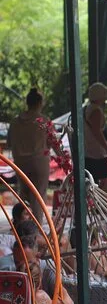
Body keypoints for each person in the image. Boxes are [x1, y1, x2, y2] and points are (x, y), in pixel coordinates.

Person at [7, 88, 51, 224]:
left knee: (23, 195)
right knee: (38, 197)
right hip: (39, 162)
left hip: (20, 162)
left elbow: (9, 143)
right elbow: (53, 142)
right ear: (40, 103)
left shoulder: (15, 122)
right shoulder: (44, 121)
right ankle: (37, 227)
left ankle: (20, 224)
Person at [83, 83, 107, 192]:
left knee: (90, 184)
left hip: (88, 152)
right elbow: (97, 132)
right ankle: (101, 203)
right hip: (98, 154)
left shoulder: (86, 109)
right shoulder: (96, 111)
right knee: (104, 184)